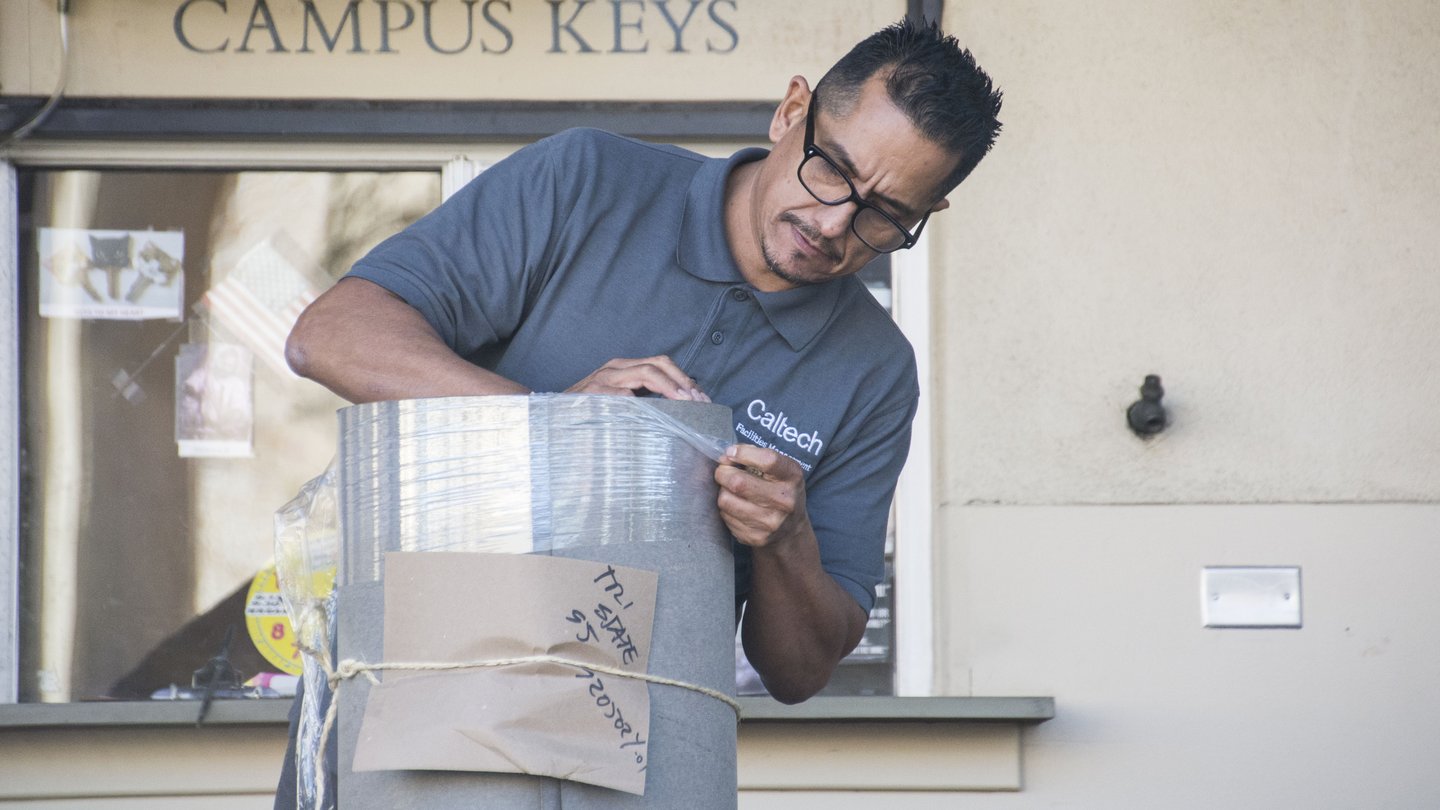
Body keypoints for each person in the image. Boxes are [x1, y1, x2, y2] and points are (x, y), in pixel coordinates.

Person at [276, 15, 1000, 805]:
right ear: (792, 111)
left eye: (885, 216)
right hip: (422, 694)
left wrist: (786, 541)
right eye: (832, 171)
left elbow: (799, 674)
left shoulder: (874, 369)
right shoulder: (586, 182)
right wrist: (558, 420)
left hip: (647, 758)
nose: (834, 224)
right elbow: (330, 337)